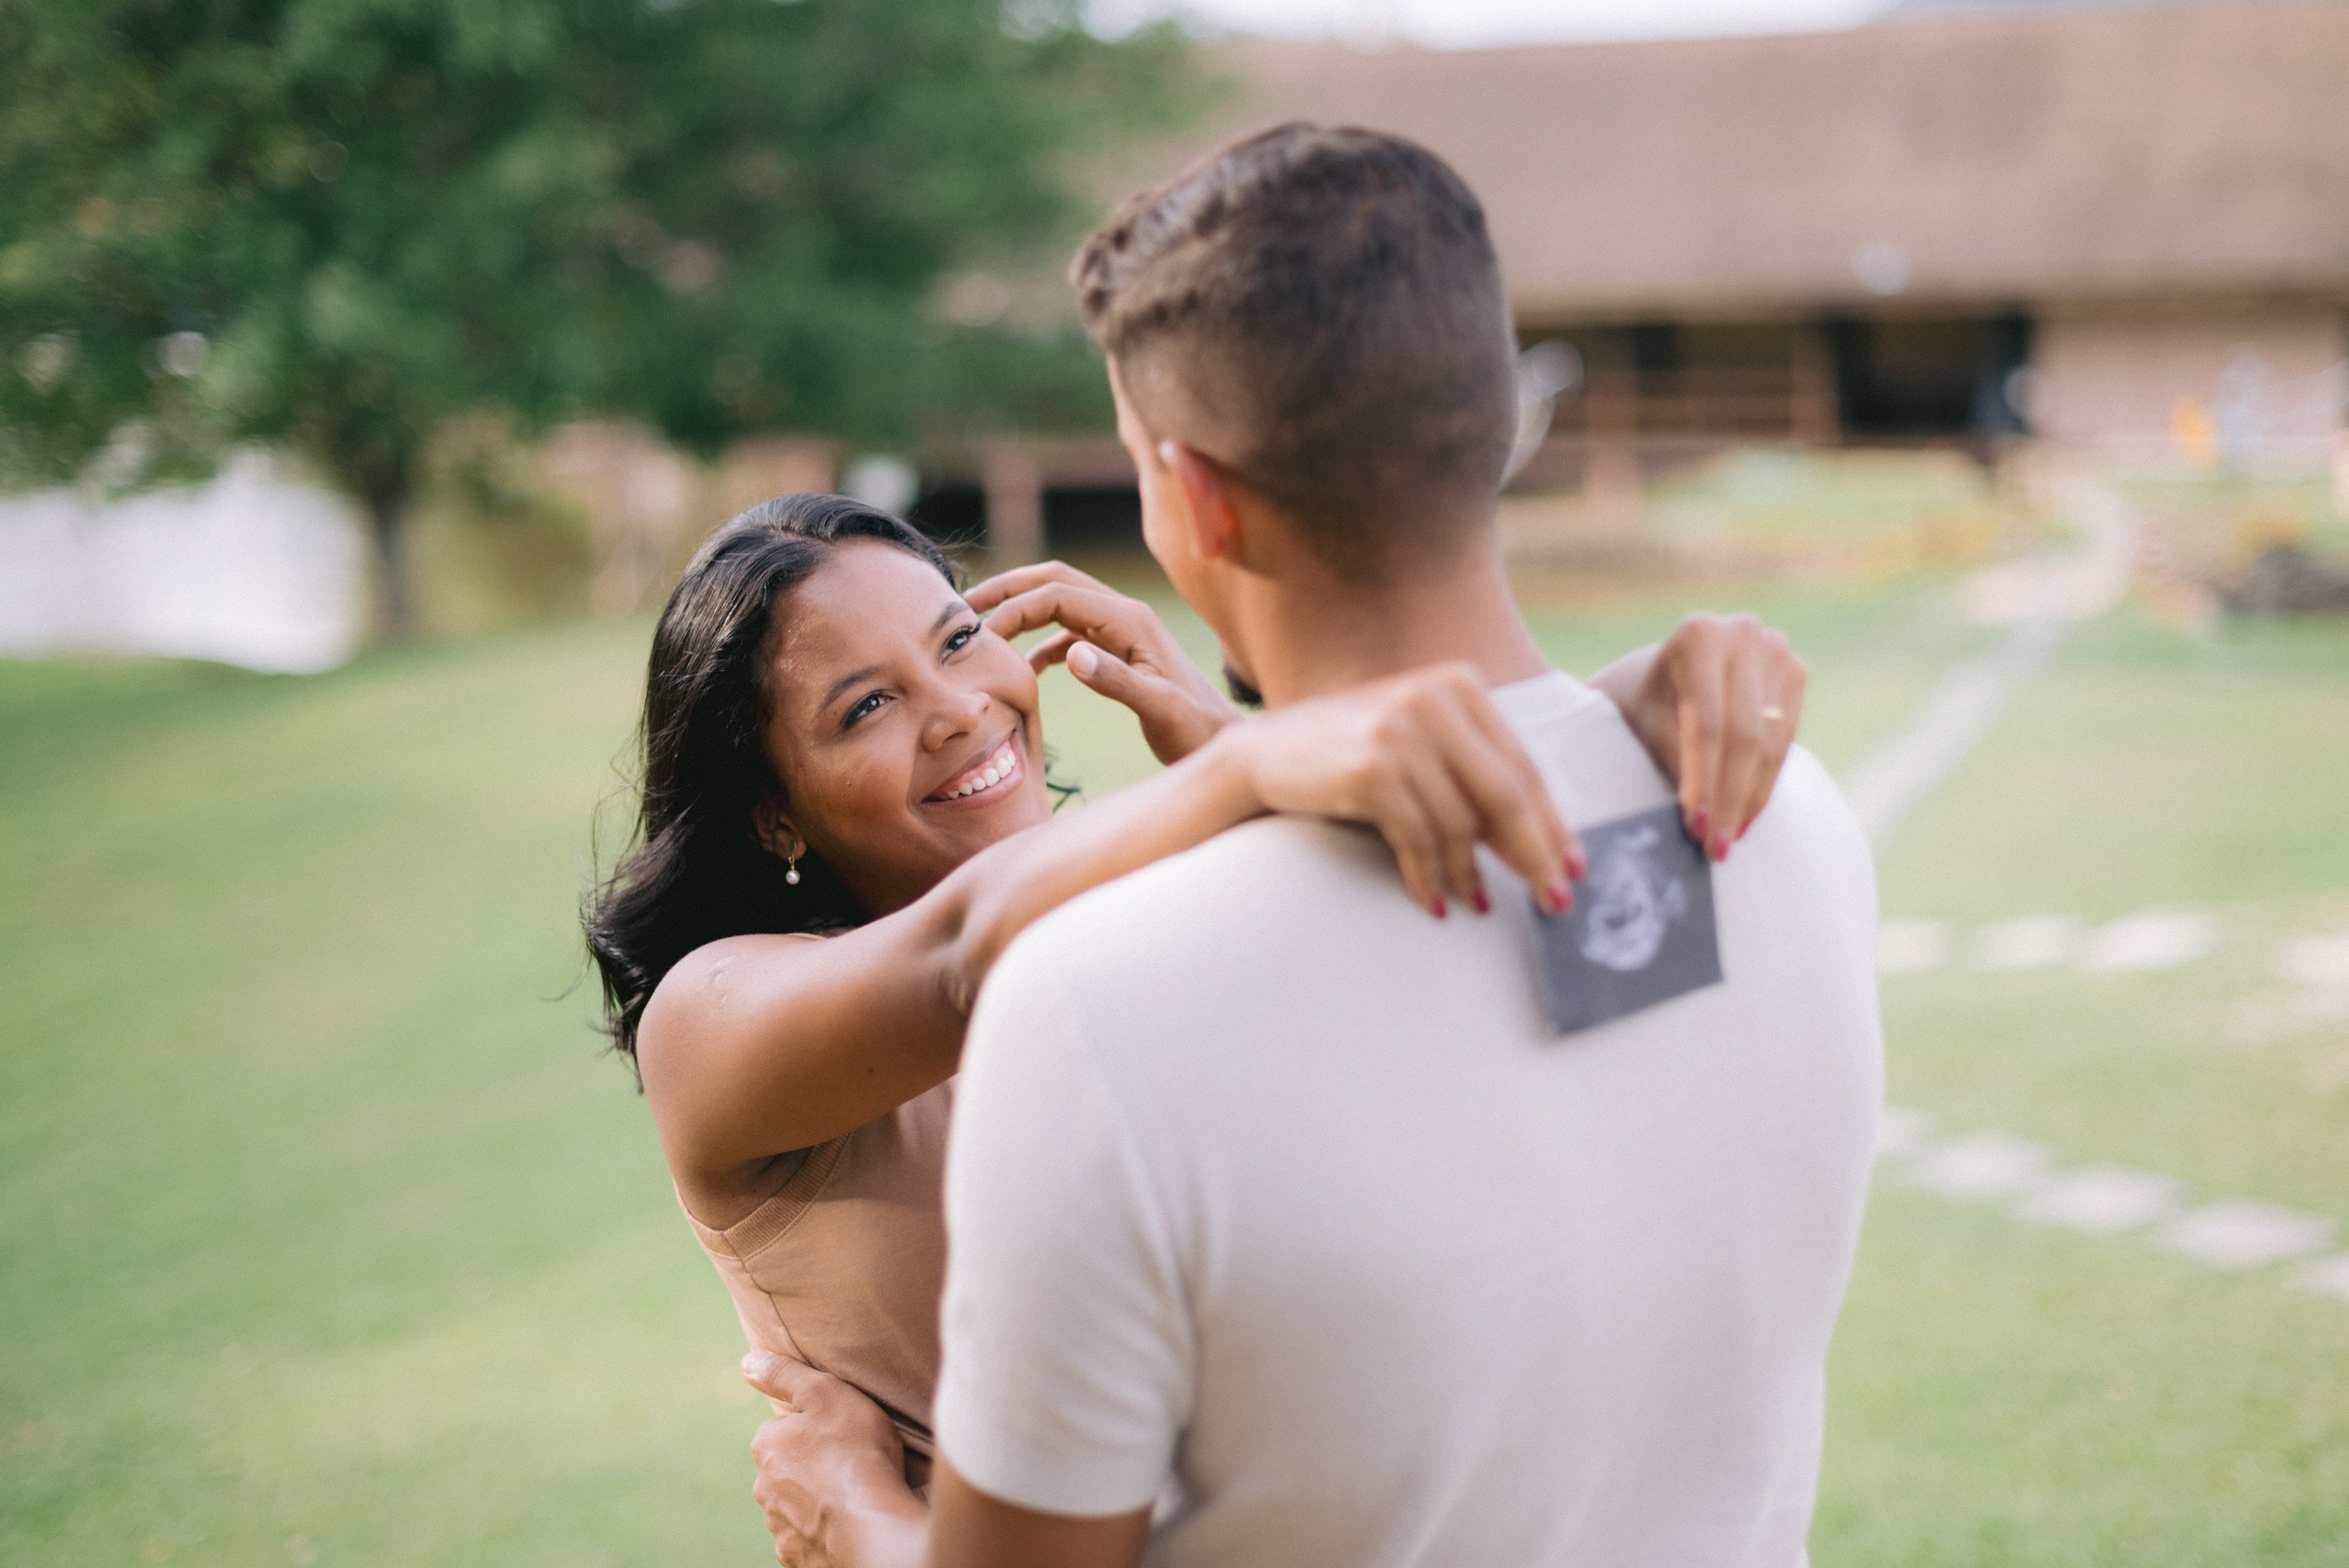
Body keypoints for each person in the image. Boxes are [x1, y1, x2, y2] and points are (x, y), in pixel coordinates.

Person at [744, 124, 1881, 1568]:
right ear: (1500, 415)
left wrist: (852, 1512)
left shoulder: (1100, 1007)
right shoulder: (1785, 809)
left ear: (1195, 495)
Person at [587, 518, 1804, 1494]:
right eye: (866, 706)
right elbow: (956, 952)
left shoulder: (1139, 916)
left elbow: (1513, 966)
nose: (956, 708)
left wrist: (1636, 708)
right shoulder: (712, 1016)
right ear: (774, 815)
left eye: (959, 640)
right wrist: (1245, 762)